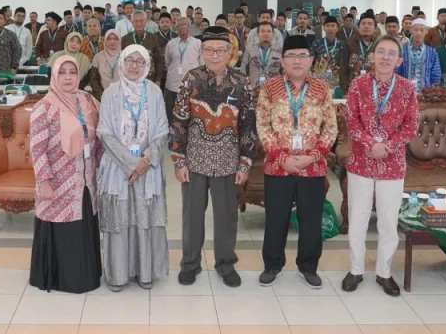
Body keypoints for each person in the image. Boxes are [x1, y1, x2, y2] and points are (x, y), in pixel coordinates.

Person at [169, 26, 257, 288]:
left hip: (228, 163)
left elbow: (248, 124)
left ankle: (226, 264)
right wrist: (178, 160)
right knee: (192, 216)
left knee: (227, 217)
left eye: (220, 50)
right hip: (194, 162)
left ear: (230, 53)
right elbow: (179, 120)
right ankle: (190, 263)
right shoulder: (191, 79)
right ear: (202, 52)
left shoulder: (241, 82)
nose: (215, 55)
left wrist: (245, 163)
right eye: (209, 50)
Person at [256, 35, 337, 288]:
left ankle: (308, 266)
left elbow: (330, 128)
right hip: (277, 167)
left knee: (311, 220)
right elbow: (263, 125)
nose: (297, 61)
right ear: (282, 61)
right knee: (276, 218)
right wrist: (282, 158)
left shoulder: (322, 89)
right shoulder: (270, 88)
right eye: (291, 56)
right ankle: (272, 265)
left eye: (303, 56)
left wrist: (311, 157)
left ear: (311, 60)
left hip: (312, 167)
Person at [341, 35, 420, 296]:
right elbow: (351, 120)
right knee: (358, 218)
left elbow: (411, 125)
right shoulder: (358, 84)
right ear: (372, 56)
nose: (386, 57)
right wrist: (369, 143)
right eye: (381, 52)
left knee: (388, 221)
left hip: (392, 163)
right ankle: (355, 270)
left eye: (391, 53)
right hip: (360, 162)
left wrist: (386, 146)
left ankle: (384, 273)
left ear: (399, 60)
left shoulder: (407, 88)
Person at [95, 45, 170, 291]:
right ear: (122, 63)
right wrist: (131, 163)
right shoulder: (111, 92)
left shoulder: (155, 92)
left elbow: (162, 130)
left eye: (140, 61)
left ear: (147, 65)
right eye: (130, 60)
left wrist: (144, 161)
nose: (134, 66)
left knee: (145, 217)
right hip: (118, 168)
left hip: (148, 168)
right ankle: (118, 275)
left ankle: (145, 272)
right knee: (120, 218)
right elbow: (104, 132)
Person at [29, 56, 102, 294]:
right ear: (54, 75)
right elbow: (37, 148)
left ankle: (86, 275)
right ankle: (63, 279)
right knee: (62, 226)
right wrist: (44, 181)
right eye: (63, 72)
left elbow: (100, 134)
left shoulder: (87, 100)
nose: (68, 77)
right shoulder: (44, 107)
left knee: (82, 223)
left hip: (85, 179)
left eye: (72, 72)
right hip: (58, 180)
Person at [164, 16, 202, 114]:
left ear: (189, 27)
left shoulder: (198, 43)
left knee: (191, 112)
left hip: (192, 84)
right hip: (173, 84)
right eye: (179, 25)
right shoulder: (171, 43)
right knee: (171, 111)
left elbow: (202, 64)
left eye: (185, 25)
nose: (182, 27)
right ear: (176, 28)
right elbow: (167, 62)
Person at [396, 19, 442, 92]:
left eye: (422, 30)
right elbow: (397, 72)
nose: (418, 33)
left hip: (425, 94)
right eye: (415, 30)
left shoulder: (432, 52)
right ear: (411, 30)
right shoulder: (402, 50)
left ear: (426, 31)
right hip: (405, 93)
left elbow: (436, 74)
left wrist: (431, 92)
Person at [121, 10, 165, 84]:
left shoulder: (153, 38)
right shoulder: (125, 39)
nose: (139, 23)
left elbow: (158, 60)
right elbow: (122, 62)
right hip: (130, 80)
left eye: (141, 21)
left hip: (149, 80)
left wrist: (158, 80)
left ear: (146, 21)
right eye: (136, 21)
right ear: (132, 22)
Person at [340, 12, 377, 94]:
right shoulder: (349, 44)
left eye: (370, 24)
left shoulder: (379, 45)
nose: (366, 26)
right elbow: (343, 69)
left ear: (375, 28)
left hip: (374, 89)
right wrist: (345, 91)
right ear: (358, 27)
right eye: (363, 23)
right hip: (353, 89)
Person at [242, 21, 283, 88]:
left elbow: (284, 71)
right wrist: (246, 86)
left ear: (273, 34)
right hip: (253, 88)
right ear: (258, 34)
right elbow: (243, 69)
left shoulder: (280, 51)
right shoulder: (249, 49)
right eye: (262, 31)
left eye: (269, 31)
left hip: (274, 89)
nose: (265, 34)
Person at [311, 16, 344, 92]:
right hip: (319, 82)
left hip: (338, 82)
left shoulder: (342, 45)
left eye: (333, 26)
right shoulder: (317, 44)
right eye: (327, 26)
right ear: (324, 28)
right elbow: (311, 63)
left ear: (337, 28)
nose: (330, 28)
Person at [90, 29, 122, 101]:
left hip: (123, 97)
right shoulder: (98, 57)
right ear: (105, 41)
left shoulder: (125, 56)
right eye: (109, 39)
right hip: (103, 97)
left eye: (115, 39)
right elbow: (94, 80)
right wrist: (102, 97)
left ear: (119, 40)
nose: (112, 41)